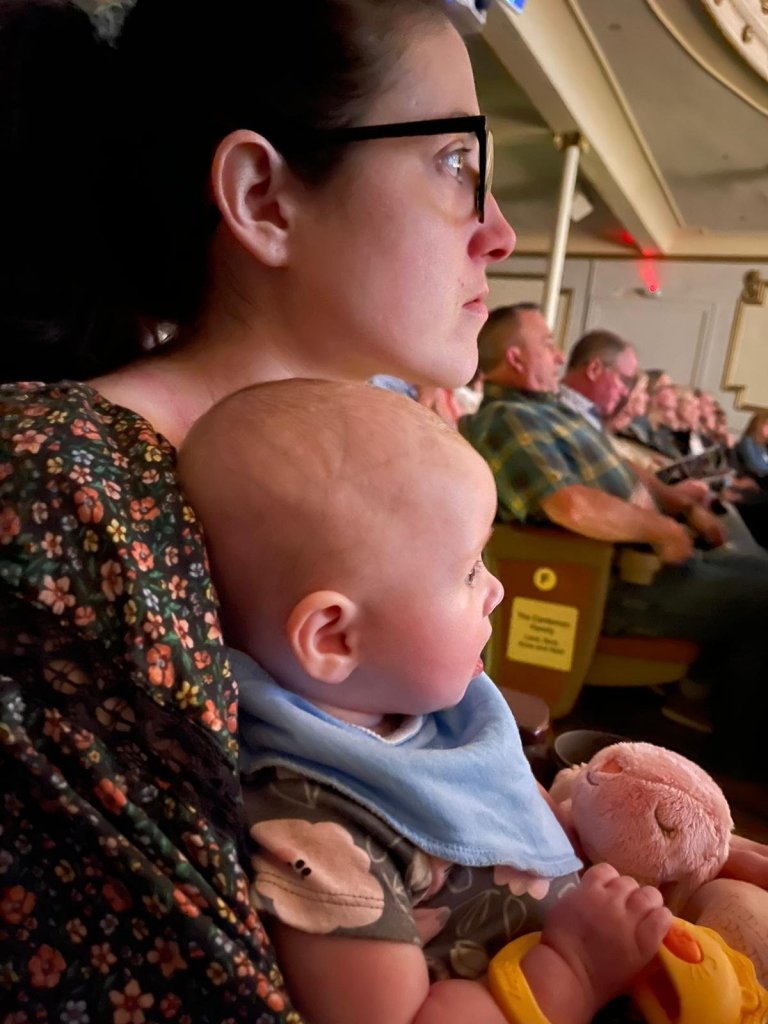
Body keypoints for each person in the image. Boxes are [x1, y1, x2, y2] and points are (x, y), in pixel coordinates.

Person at [0, 0, 516, 1019]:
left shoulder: (384, 445)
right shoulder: (61, 485)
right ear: (262, 196)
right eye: (457, 162)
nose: (499, 232)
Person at [177, 377, 674, 1024]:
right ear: (333, 637)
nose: (495, 590)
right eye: (469, 570)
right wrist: (574, 973)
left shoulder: (415, 700)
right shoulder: (318, 833)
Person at [460, 304, 768, 781]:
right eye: (547, 343)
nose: (559, 355)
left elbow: (625, 468)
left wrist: (682, 507)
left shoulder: (550, 410)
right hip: (608, 584)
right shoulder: (506, 418)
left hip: (646, 561)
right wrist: (661, 529)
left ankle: (699, 704)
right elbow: (570, 505)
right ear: (517, 358)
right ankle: (733, 763)